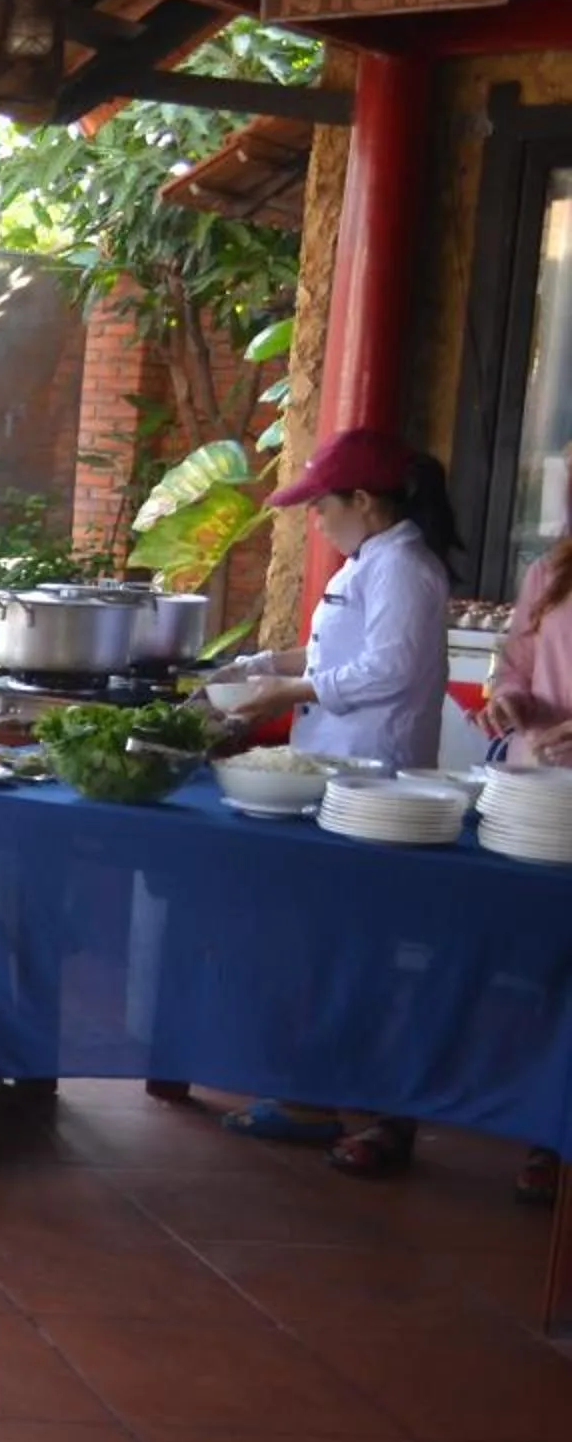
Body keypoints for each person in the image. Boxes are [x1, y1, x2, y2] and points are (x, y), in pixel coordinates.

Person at [215, 427, 458, 1177]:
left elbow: (389, 667)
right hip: (338, 775)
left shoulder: (406, 568)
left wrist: (285, 690)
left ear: (363, 501)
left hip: (376, 780)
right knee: (329, 944)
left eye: (323, 506)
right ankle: (314, 1098)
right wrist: (259, 664)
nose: (315, 520)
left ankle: (387, 1116)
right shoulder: (371, 562)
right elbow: (336, 654)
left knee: (369, 952)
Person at [473, 510, 572, 1204]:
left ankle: (554, 1137)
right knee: (517, 957)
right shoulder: (550, 572)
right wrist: (508, 702)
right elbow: (518, 667)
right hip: (533, 792)